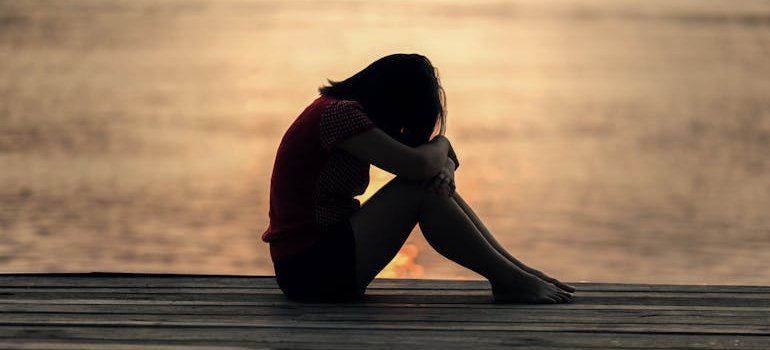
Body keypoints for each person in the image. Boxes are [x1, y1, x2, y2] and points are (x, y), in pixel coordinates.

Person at [262, 53, 575, 303]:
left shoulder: (339, 112)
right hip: (310, 269)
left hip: (318, 262)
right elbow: (420, 165)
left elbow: (435, 163)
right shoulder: (340, 115)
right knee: (418, 189)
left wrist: (445, 169)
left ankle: (516, 273)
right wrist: (442, 145)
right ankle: (511, 280)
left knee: (425, 185)